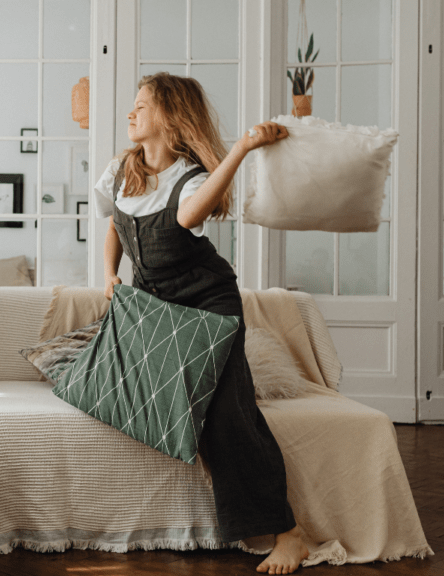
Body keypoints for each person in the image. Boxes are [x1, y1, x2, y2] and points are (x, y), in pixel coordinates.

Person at [93, 72, 308, 575]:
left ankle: (290, 533)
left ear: (169, 118)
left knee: (229, 415)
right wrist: (108, 274)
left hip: (208, 306)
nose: (131, 113)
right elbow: (114, 227)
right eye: (133, 104)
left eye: (142, 106)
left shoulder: (190, 178)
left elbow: (187, 218)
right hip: (156, 308)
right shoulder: (122, 169)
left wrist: (244, 148)